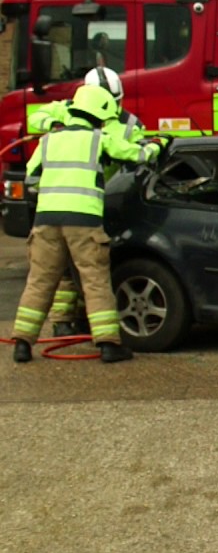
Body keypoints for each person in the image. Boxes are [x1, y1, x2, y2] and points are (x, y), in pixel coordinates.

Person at [11, 85, 162, 364]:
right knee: (94, 281)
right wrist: (157, 144)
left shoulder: (48, 140)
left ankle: (21, 343)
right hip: (84, 222)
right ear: (100, 114)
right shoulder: (98, 139)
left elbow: (31, 179)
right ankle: (107, 345)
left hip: (45, 221)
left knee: (40, 282)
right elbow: (135, 154)